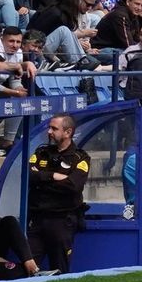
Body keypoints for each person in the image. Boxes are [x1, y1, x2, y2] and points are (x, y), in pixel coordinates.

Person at [26, 113, 90, 272]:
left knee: (60, 269)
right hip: (37, 219)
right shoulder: (41, 152)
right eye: (49, 127)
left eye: (54, 128)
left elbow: (73, 186)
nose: (49, 132)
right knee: (27, 267)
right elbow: (29, 177)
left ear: (68, 132)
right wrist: (53, 176)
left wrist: (42, 181)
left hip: (62, 221)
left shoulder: (79, 158)